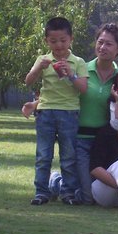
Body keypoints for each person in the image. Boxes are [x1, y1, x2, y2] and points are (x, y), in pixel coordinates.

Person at [25, 17, 88, 206]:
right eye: (53, 41)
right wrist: (38, 68)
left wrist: (71, 74)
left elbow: (83, 88)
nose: (58, 45)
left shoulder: (78, 61)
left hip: (69, 113)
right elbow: (28, 81)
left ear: (71, 40)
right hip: (46, 112)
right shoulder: (43, 60)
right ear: (46, 41)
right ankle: (41, 192)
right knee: (43, 155)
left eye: (63, 40)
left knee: (68, 155)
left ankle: (68, 192)